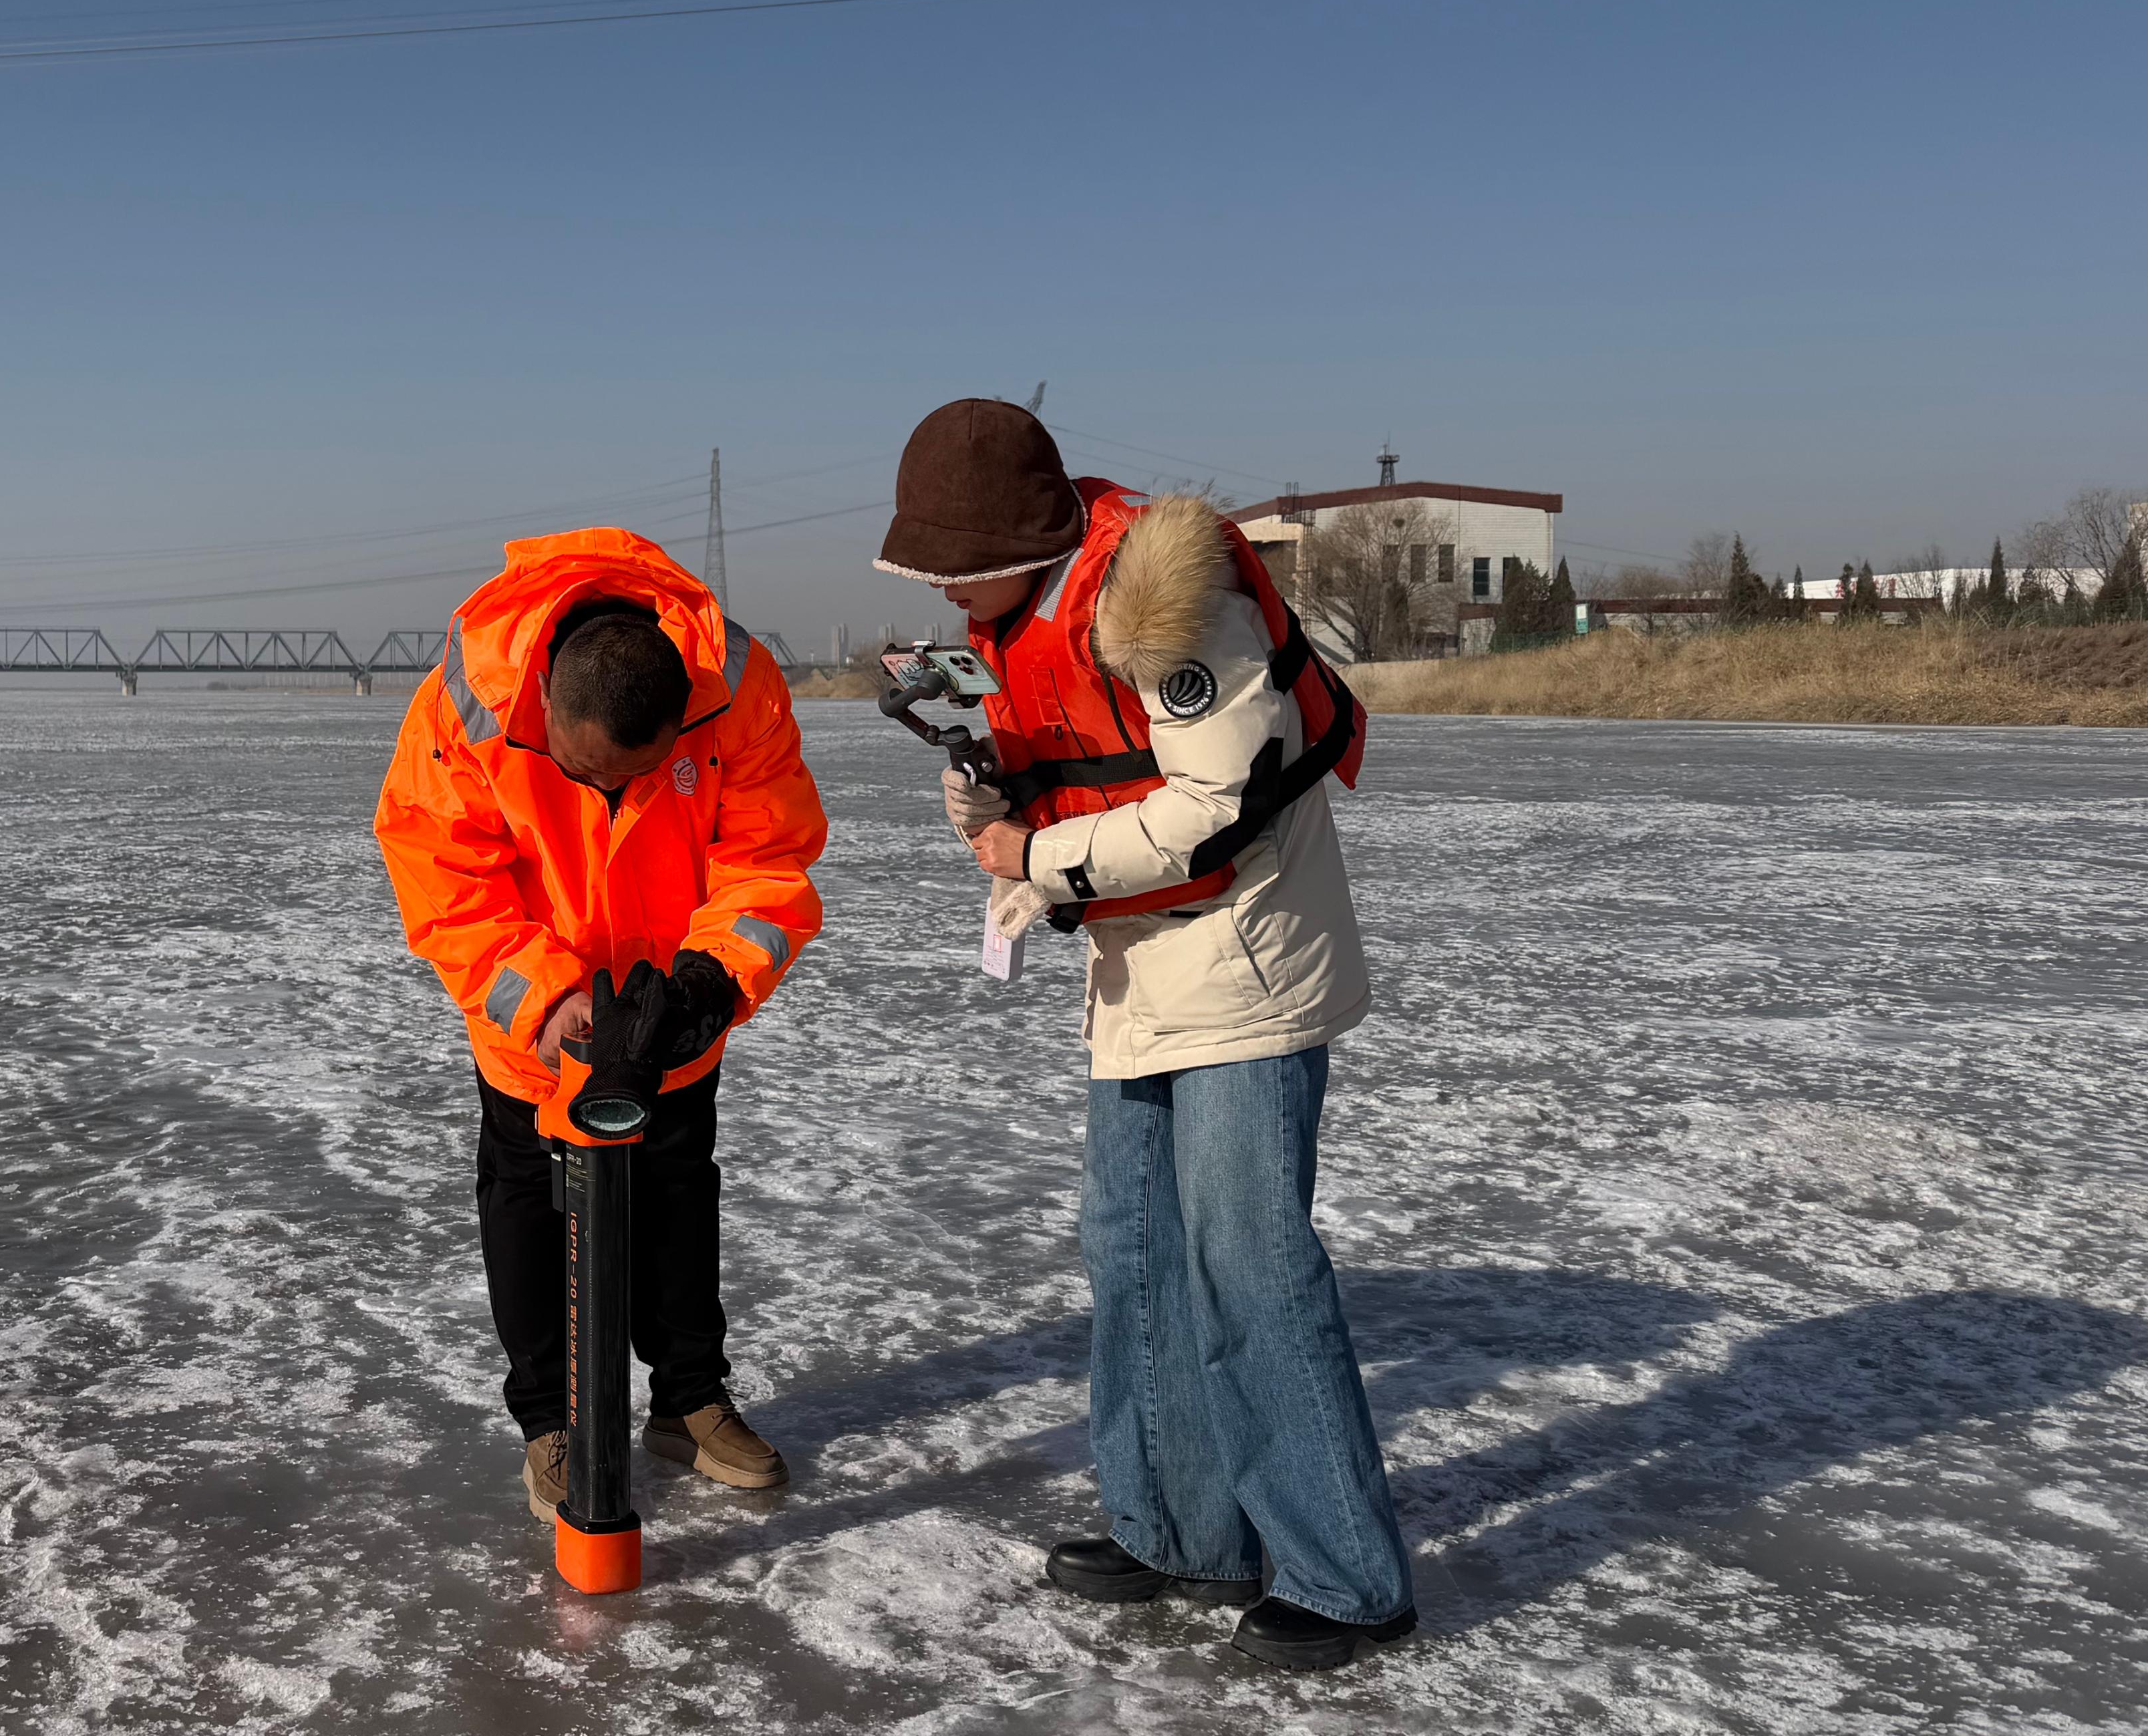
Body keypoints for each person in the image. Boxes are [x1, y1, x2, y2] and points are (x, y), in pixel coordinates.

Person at [875, 399, 1412, 1670]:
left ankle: (1347, 1576)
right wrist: (992, 799)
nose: (944, 588)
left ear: (1027, 540)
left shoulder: (1172, 602)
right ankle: (1179, 1529)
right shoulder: (1016, 621)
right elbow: (1085, 765)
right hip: (1137, 970)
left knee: (1248, 1263)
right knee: (1133, 1248)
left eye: (958, 563)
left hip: (1244, 963)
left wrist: (1035, 856)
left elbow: (1214, 806)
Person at [375, 527, 827, 1522]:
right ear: (543, 704)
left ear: (683, 719)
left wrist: (709, 986)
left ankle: (690, 1403)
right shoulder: (467, 699)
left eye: (634, 776)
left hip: (673, 1013)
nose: (607, 797)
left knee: (677, 1191)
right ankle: (552, 1422)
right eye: (583, 774)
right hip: (535, 1030)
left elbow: (768, 859)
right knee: (528, 1207)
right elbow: (446, 880)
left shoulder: (736, 688)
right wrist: (548, 1004)